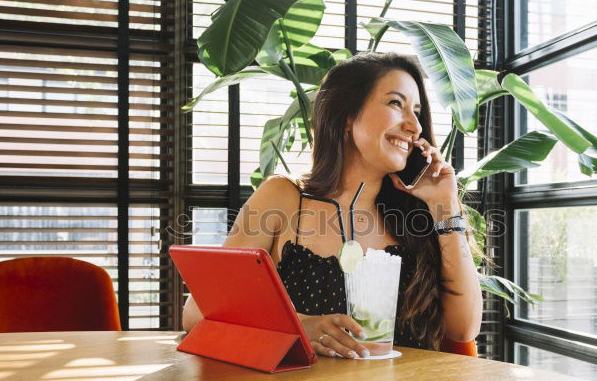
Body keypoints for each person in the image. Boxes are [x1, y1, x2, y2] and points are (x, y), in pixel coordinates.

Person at [181, 53, 482, 358]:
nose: (414, 126)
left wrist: (446, 207)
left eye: (417, 111)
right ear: (347, 116)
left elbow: (463, 329)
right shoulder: (283, 198)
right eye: (396, 104)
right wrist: (300, 326)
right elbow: (197, 311)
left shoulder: (420, 213)